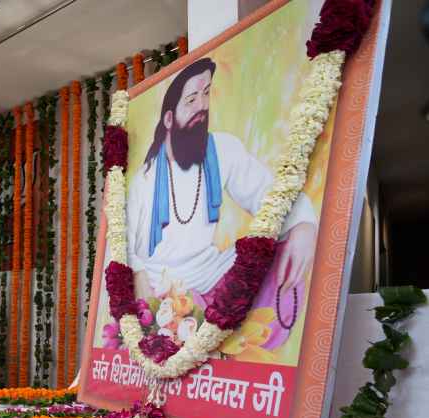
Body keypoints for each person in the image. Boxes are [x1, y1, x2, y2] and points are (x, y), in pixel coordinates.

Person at [126, 58, 317, 341]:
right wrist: (149, 311)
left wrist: (303, 224)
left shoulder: (223, 149)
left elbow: (269, 194)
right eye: (191, 99)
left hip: (214, 273)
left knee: (284, 251)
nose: (202, 106)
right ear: (168, 119)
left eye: (205, 95)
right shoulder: (144, 179)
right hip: (165, 292)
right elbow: (131, 254)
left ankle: (237, 356)